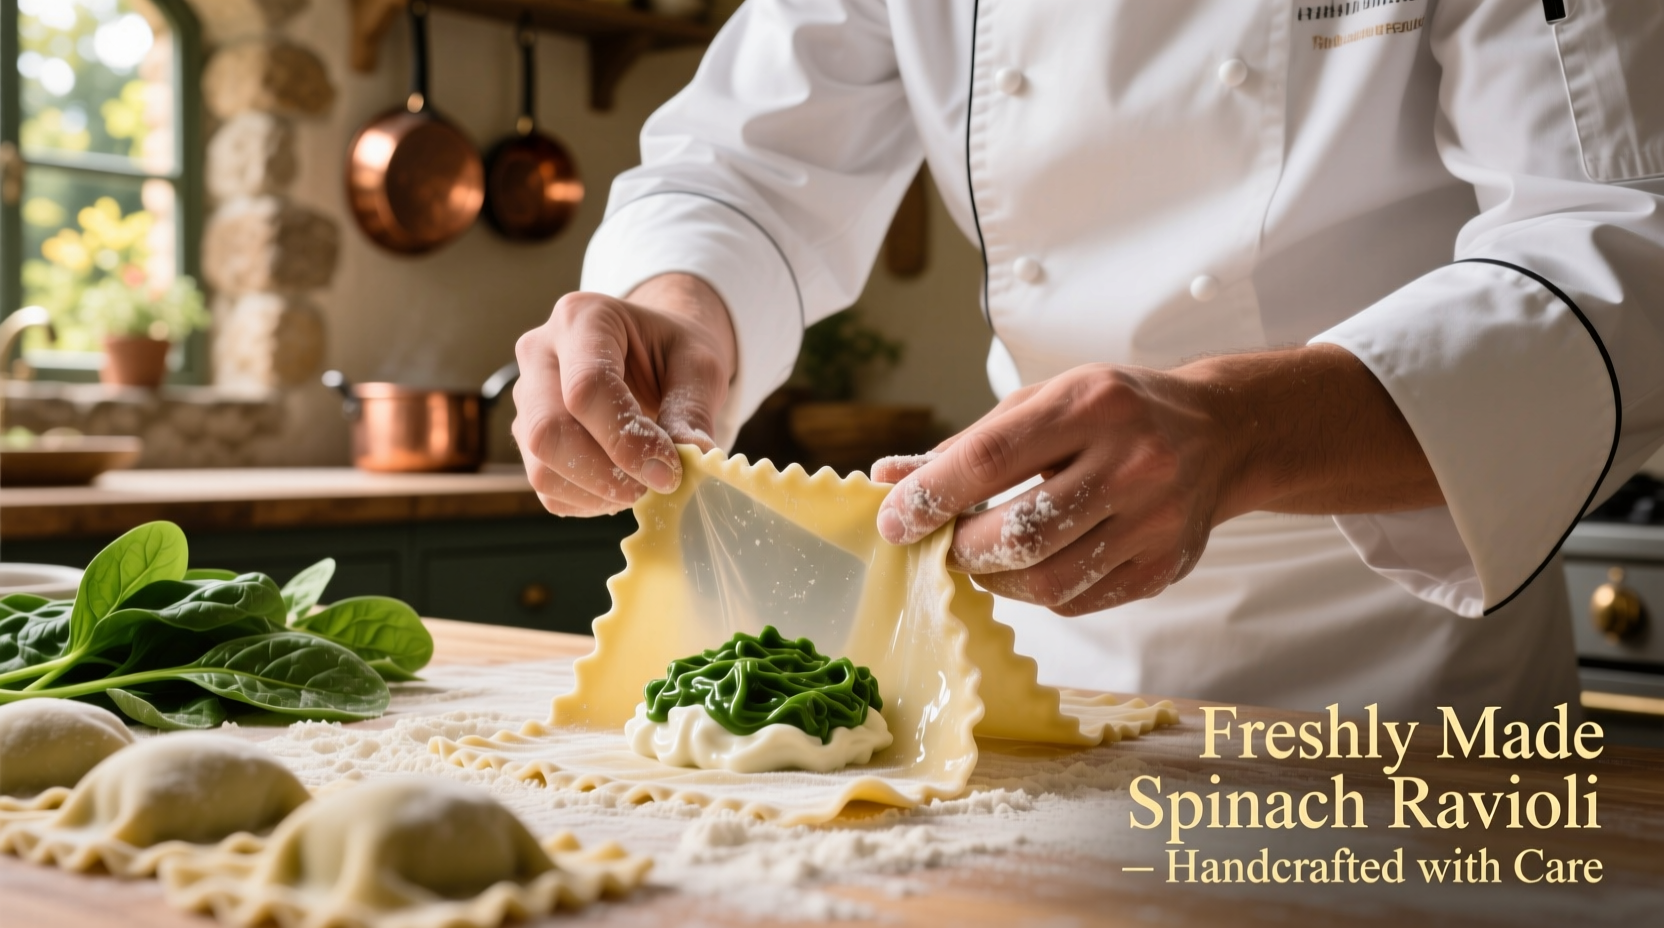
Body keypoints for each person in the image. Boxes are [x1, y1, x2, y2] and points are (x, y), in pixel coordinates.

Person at [512, 2, 1664, 721]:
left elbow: (1618, 247)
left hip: (1396, 679)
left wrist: (1243, 430)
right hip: (1037, 652)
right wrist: (676, 310)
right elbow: (744, 169)